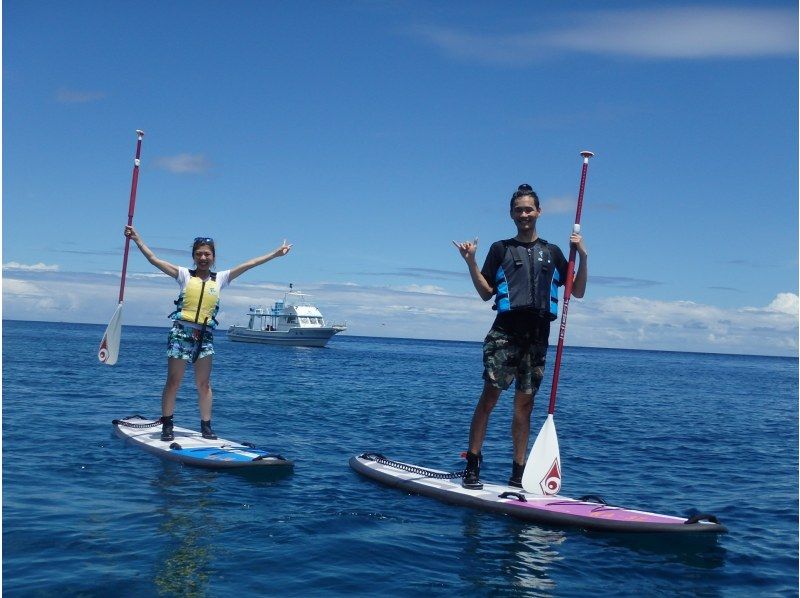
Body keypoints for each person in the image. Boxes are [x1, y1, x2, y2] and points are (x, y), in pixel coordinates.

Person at [453, 183, 587, 489]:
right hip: (505, 335)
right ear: (511, 214)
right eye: (518, 210)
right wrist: (471, 262)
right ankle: (472, 464)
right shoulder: (500, 249)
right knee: (489, 399)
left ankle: (518, 473)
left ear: (539, 212)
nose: (524, 214)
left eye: (528, 209)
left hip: (537, 338)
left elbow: (577, 291)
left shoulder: (553, 252)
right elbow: (486, 293)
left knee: (524, 407)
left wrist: (583, 255)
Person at [124, 226, 292, 441]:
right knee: (173, 381)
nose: (203, 258)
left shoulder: (220, 279)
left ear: (213, 257)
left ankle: (206, 426)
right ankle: (167, 424)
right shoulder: (184, 275)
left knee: (204, 384)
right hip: (181, 333)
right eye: (199, 254)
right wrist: (137, 239)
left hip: (204, 337)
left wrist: (275, 254)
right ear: (194, 257)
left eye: (207, 254)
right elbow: (154, 259)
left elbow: (249, 264)